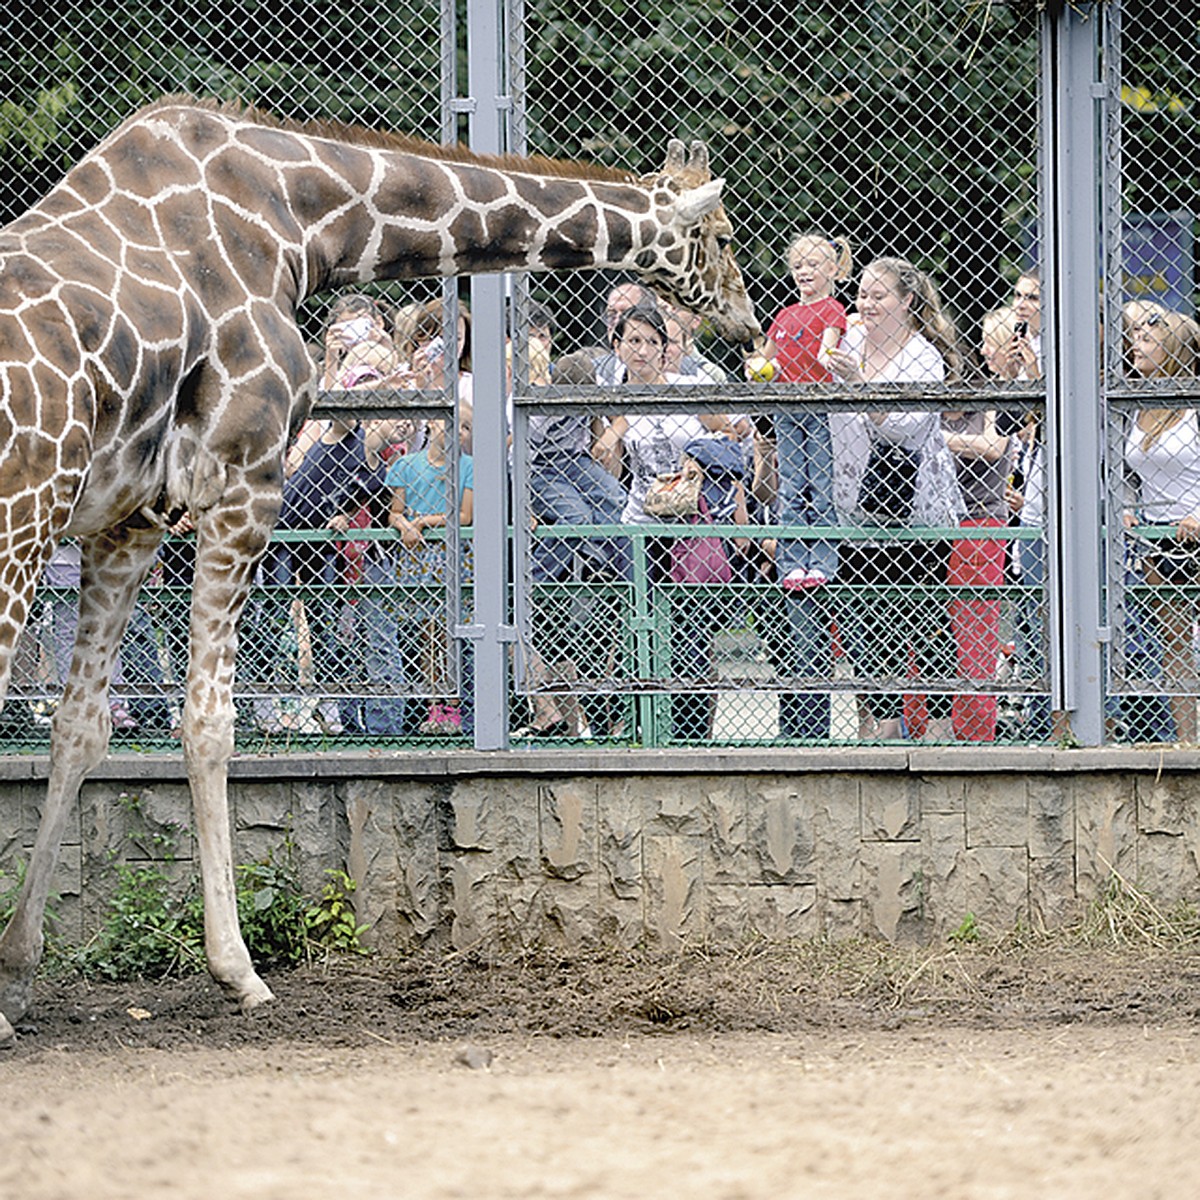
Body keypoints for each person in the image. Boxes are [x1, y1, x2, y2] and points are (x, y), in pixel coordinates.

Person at [826, 257, 965, 740]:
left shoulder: (922, 355)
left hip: (913, 502)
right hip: (856, 499)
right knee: (868, 616)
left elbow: (906, 427)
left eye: (879, 295)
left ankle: (941, 723)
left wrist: (860, 387)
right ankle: (885, 722)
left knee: (923, 614)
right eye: (862, 294)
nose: (867, 303)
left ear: (907, 301)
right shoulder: (847, 344)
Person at [601, 305, 749, 740]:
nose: (642, 350)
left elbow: (731, 437)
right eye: (633, 340)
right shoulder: (612, 397)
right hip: (641, 519)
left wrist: (704, 462)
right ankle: (641, 725)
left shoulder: (688, 388)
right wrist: (608, 446)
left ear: (666, 351)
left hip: (690, 521)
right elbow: (611, 462)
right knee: (638, 624)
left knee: (690, 627)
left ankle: (690, 729)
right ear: (618, 346)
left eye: (652, 342)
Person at [754, 232, 853, 592]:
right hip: (786, 407)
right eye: (797, 265)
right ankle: (793, 562)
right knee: (793, 485)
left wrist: (828, 359)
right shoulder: (784, 315)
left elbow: (827, 351)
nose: (804, 271)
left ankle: (823, 561)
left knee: (821, 485)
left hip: (818, 405)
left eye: (812, 264)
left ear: (832, 268)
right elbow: (766, 360)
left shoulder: (833, 309)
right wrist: (759, 369)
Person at [1122, 309, 1200, 741]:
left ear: (1172, 349)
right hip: (1158, 536)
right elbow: (1129, 472)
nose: (1136, 346)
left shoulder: (1194, 405)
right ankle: (1190, 739)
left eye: (1148, 340)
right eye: (1136, 338)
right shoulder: (1133, 400)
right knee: (1173, 643)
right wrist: (1126, 507)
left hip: (1195, 527)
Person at [387, 404, 475, 737]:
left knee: (451, 634)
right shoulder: (406, 465)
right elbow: (394, 511)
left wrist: (423, 521)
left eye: (465, 428)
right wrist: (404, 525)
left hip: (452, 556)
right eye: (454, 424)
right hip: (418, 556)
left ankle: (454, 707)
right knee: (428, 636)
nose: (457, 432)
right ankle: (433, 706)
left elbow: (464, 516)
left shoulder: (468, 466)